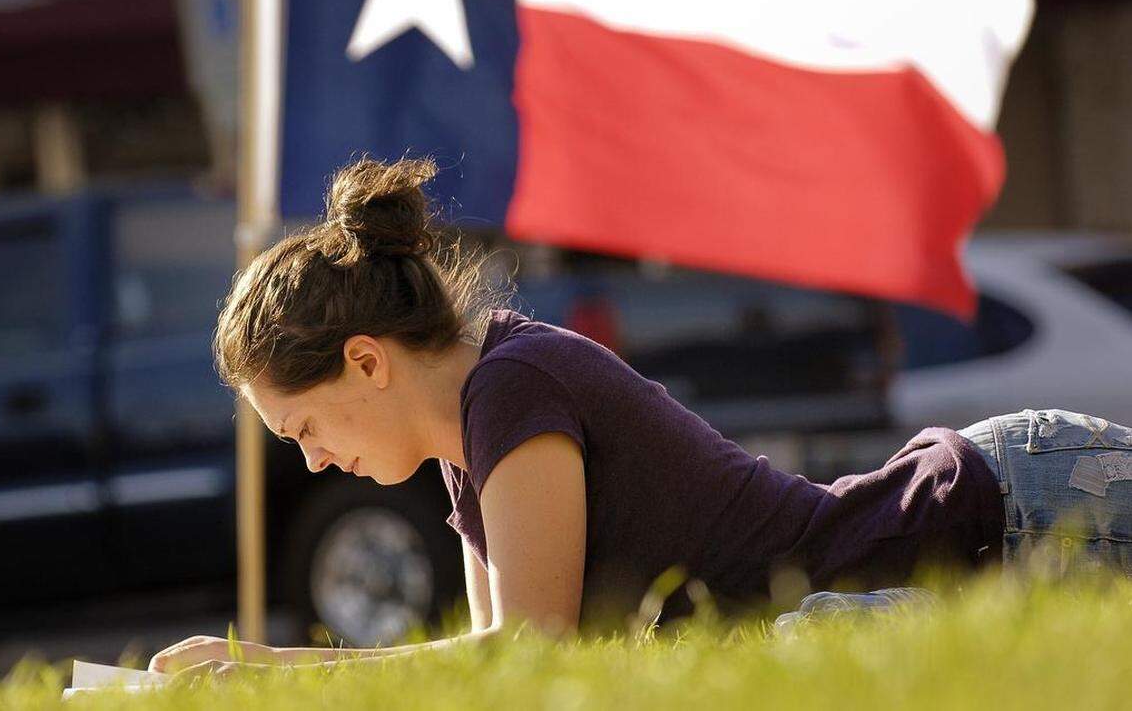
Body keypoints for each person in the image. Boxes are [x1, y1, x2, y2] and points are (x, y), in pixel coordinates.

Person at [149, 156, 1132, 678]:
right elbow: (509, 681)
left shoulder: (512, 388)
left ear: (366, 362)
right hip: (982, 518)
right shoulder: (470, 436)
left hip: (1009, 507)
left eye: (303, 430)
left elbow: (532, 644)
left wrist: (272, 674)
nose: (313, 463)